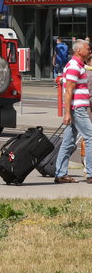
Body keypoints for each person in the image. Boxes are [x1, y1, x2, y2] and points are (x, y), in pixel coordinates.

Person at [53, 39, 92, 184]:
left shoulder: (80, 66)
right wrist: (67, 113)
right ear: (79, 50)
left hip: (77, 109)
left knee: (68, 142)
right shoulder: (74, 66)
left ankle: (61, 174)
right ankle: (90, 174)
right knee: (90, 138)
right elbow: (68, 91)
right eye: (88, 49)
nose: (90, 51)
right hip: (77, 110)